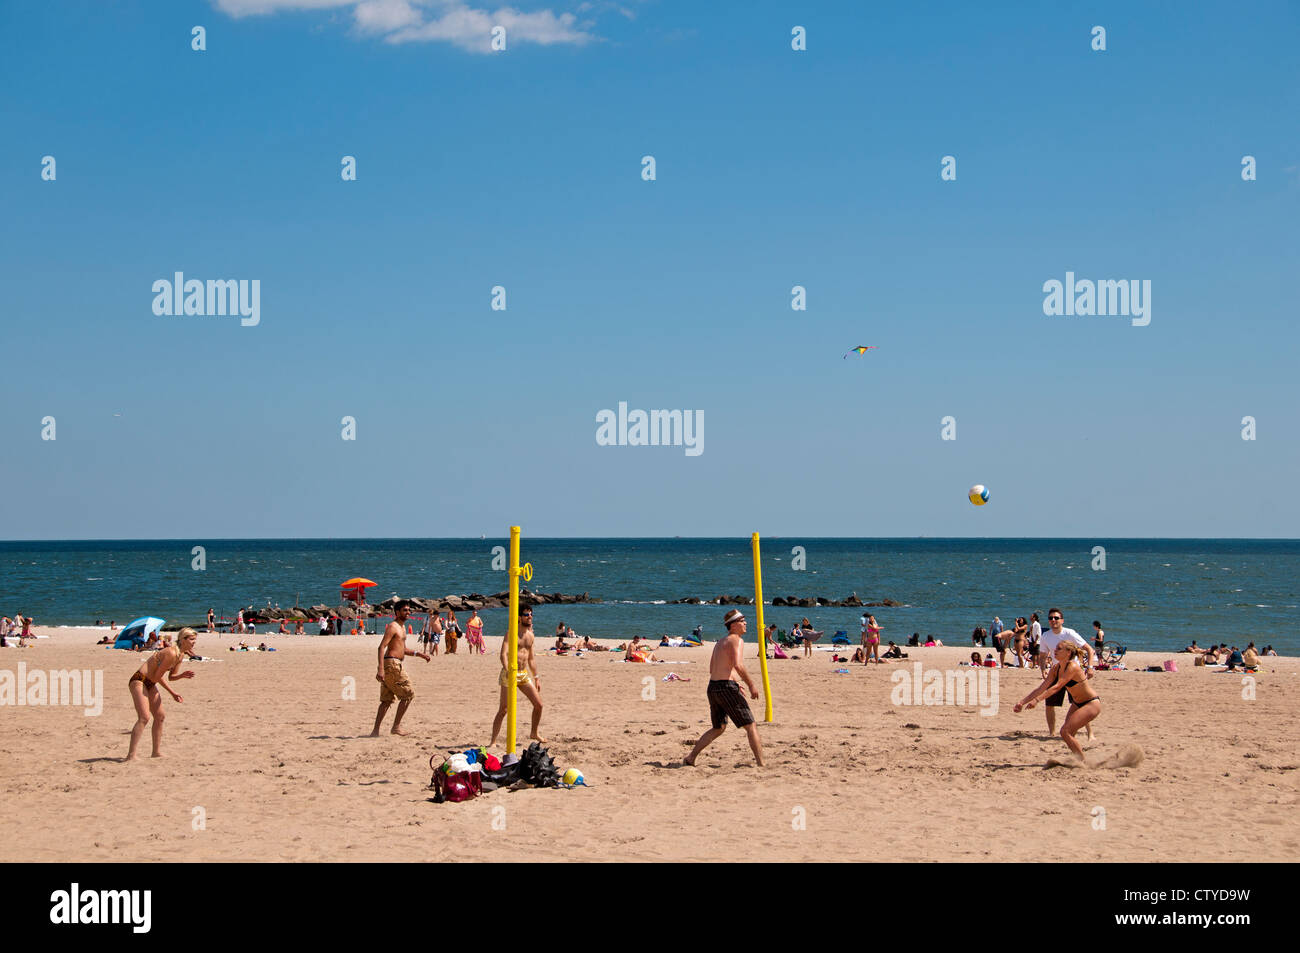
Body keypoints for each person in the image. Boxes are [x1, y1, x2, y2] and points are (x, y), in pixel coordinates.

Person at [683, 609, 764, 767]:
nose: (745, 623)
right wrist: (751, 684)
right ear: (733, 625)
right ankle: (762, 764)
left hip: (713, 686)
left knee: (718, 727)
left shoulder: (720, 642)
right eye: (742, 621)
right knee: (750, 725)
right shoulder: (736, 640)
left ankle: (691, 757)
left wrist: (735, 681)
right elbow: (738, 665)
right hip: (725, 687)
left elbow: (714, 668)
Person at [1014, 641, 1101, 762]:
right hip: (1077, 704)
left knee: (1065, 731)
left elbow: (1057, 687)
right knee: (1069, 733)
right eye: (1055, 648)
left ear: (1068, 652)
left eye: (1059, 649)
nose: (1055, 650)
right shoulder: (1056, 668)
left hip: (1091, 703)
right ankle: (1078, 758)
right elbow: (1041, 688)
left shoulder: (1073, 666)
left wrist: (1037, 700)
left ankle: (1082, 762)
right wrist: (1021, 702)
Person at [126, 627, 198, 760]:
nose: (194, 642)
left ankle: (156, 752)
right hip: (139, 680)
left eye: (195, 640)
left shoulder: (180, 655)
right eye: (192, 639)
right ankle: (131, 755)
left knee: (160, 716)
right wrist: (172, 693)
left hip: (150, 683)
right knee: (144, 717)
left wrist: (181, 675)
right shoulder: (171, 652)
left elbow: (171, 676)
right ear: (183, 640)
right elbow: (158, 676)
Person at [369, 605, 430, 737]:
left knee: (386, 700)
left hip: (391, 664)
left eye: (409, 610)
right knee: (408, 694)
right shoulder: (393, 626)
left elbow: (402, 649)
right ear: (397, 612)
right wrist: (380, 668)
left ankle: (375, 731)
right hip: (392, 665)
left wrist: (419, 654)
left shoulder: (402, 628)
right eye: (405, 610)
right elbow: (381, 647)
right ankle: (396, 727)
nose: (408, 612)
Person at [489, 605, 545, 745]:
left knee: (538, 704)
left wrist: (536, 677)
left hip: (523, 674)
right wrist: (508, 670)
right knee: (504, 709)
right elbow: (503, 655)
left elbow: (531, 658)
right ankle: (493, 741)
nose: (530, 616)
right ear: (519, 617)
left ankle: (534, 733)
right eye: (526, 614)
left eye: (531, 614)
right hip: (509, 673)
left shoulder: (531, 635)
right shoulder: (511, 632)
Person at [1036, 609, 1096, 736]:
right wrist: (1043, 669)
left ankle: (1090, 733)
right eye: (1051, 618)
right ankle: (1052, 733)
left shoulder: (1070, 633)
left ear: (1062, 620)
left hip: (1073, 673)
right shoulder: (1045, 636)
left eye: (1056, 618)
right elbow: (1042, 656)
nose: (1053, 620)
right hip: (1057, 672)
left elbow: (1089, 649)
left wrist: (1090, 667)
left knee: (1080, 703)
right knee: (1049, 704)